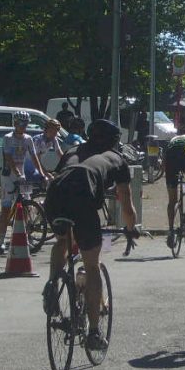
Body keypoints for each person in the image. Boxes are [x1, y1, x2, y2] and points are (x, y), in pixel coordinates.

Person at [43, 119, 139, 350]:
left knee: (63, 241)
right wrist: (130, 228)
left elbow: (62, 175)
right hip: (83, 193)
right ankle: (94, 333)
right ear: (115, 141)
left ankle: (53, 282)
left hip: (56, 193)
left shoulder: (72, 151)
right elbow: (126, 204)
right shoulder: (116, 159)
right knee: (92, 264)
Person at [0, 111, 49, 254]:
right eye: (21, 123)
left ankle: (26, 236)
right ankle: (1, 241)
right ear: (15, 123)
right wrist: (18, 174)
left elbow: (34, 157)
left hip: (22, 176)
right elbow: (8, 158)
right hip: (9, 176)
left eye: (26, 124)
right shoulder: (8, 138)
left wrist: (43, 175)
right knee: (6, 209)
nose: (24, 126)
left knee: (26, 207)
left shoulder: (28, 139)